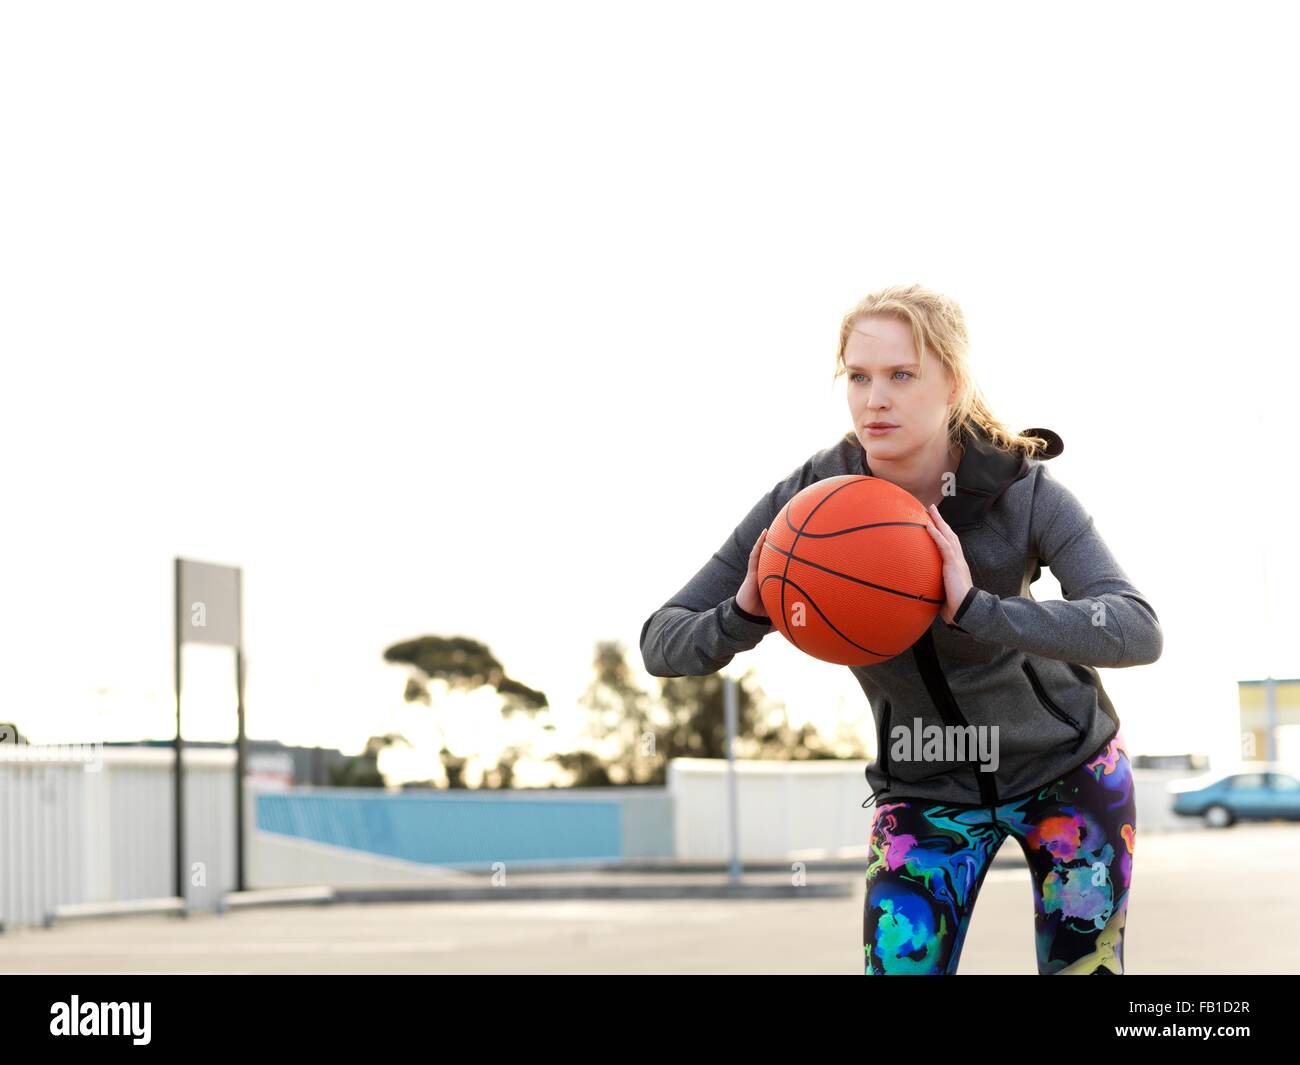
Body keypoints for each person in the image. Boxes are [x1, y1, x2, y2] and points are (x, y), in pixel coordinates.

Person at [639, 283, 1162, 975]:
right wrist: (742, 614)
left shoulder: (1020, 490)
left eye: (900, 375)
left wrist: (979, 608)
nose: (874, 398)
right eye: (858, 376)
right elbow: (661, 641)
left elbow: (1134, 627)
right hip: (924, 791)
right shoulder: (809, 505)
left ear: (953, 382)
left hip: (1067, 774)